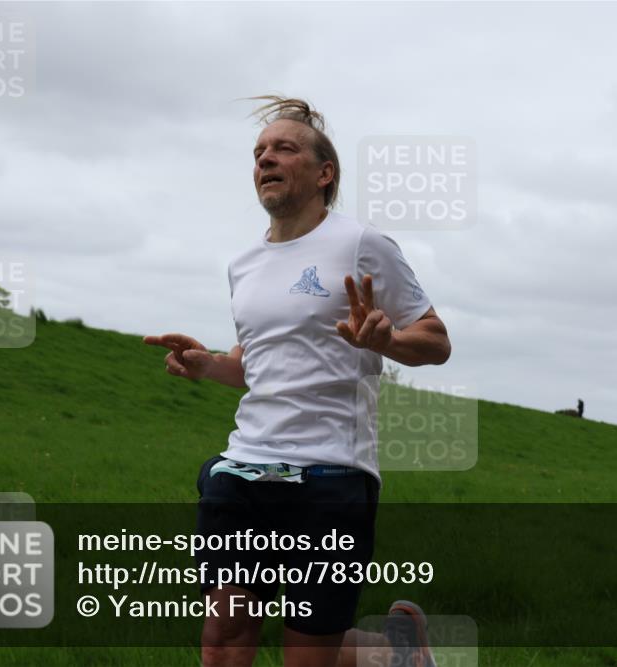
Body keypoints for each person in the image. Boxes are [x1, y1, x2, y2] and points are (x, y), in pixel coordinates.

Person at [145, 96, 449, 667]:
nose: (265, 159)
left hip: (331, 471)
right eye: (259, 152)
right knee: (223, 637)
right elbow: (255, 364)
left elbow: (436, 341)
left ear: (324, 173)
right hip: (245, 466)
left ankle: (395, 655)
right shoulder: (243, 264)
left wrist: (385, 340)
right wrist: (209, 365)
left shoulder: (362, 244)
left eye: (284, 149)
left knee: (309, 654)